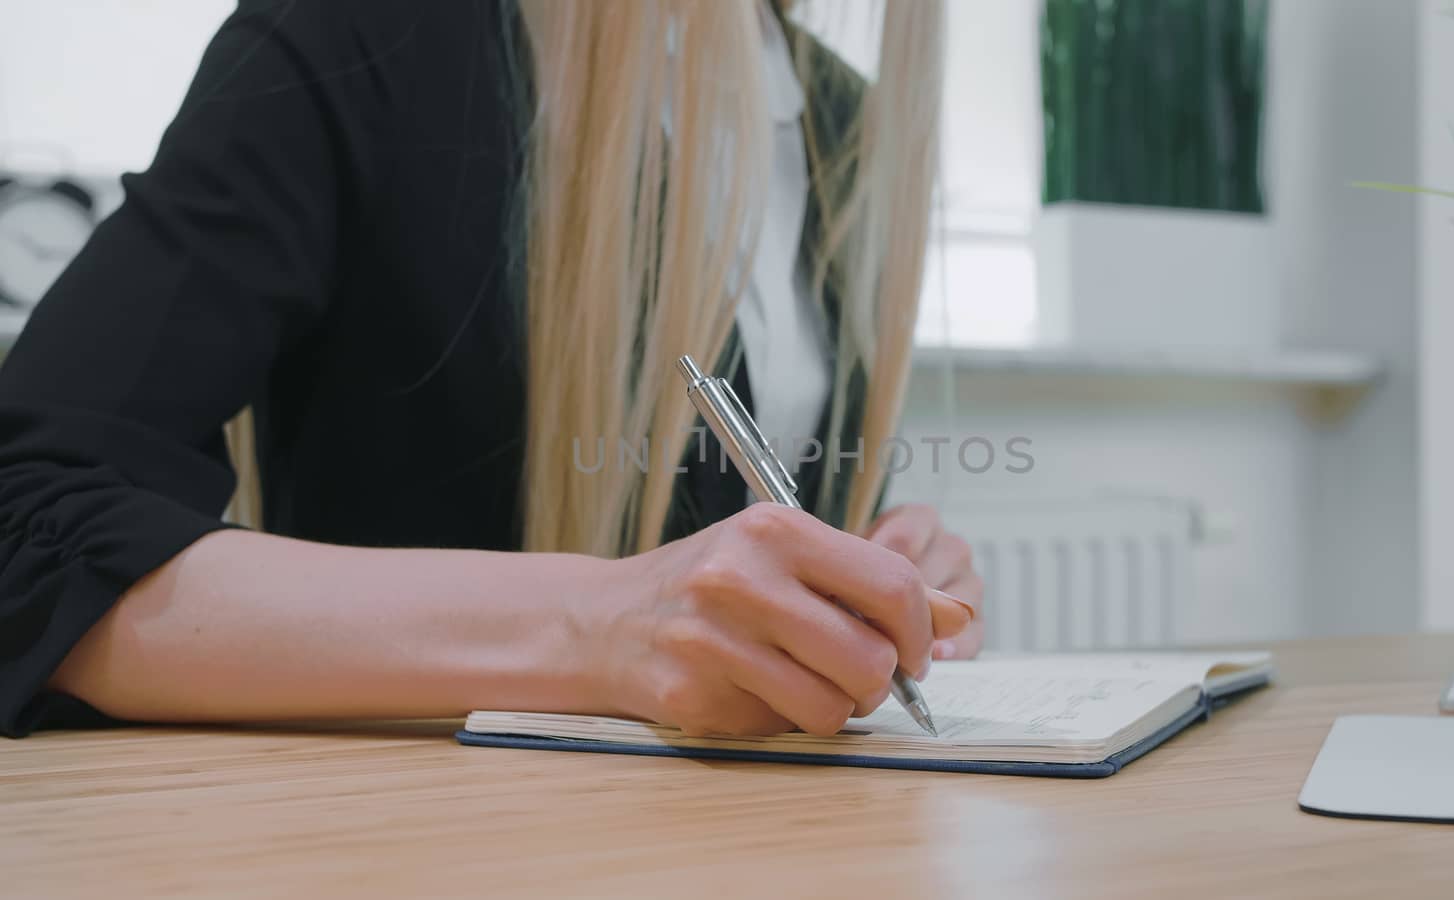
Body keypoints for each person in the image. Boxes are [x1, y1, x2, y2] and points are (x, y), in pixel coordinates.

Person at [0, 0, 983, 739]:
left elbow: (728, 528)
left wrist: (857, 594)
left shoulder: (840, 122)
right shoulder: (365, 32)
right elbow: (26, 524)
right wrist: (599, 628)